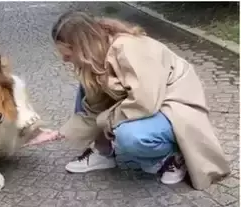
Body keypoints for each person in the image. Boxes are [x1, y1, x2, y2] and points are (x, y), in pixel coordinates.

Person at [26, 11, 230, 189]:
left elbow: (145, 102)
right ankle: (102, 152)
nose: (64, 59)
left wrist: (108, 120)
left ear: (81, 46)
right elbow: (92, 110)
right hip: (150, 104)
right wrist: (56, 134)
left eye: (67, 53)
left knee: (128, 135)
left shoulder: (128, 48)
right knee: (86, 87)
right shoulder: (96, 58)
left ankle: (173, 155)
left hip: (174, 104)